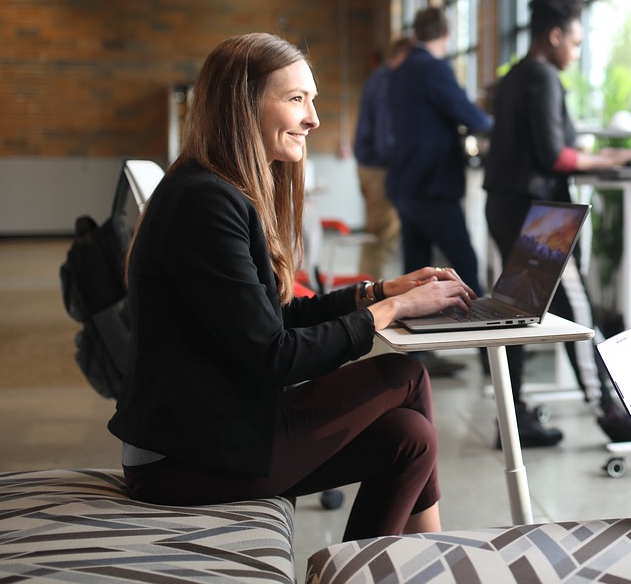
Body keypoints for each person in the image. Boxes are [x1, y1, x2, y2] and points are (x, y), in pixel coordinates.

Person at [109, 32, 477, 541]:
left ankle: (378, 572)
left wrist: (379, 291)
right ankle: (437, 558)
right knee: (405, 376)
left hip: (207, 432)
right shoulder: (204, 203)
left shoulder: (215, 189)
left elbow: (274, 317)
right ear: (244, 106)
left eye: (313, 99)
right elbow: (274, 355)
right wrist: (391, 312)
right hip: (182, 458)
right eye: (296, 99)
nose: (313, 119)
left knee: (409, 438)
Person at [483, 0, 631, 447]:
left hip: (507, 204)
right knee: (578, 310)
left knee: (514, 313)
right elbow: (555, 155)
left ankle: (511, 420)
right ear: (554, 36)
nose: (576, 50)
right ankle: (609, 413)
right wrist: (610, 157)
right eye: (574, 41)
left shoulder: (514, 77)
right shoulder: (544, 76)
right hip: (537, 215)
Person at [386, 7, 493, 334]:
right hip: (433, 184)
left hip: (405, 183)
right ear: (446, 35)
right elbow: (471, 117)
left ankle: (414, 354)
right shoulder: (434, 69)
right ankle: (489, 350)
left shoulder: (399, 70)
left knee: (417, 274)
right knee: (465, 267)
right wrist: (500, 126)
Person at [352, 36, 413, 280]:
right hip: (380, 168)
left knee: (377, 233)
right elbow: (384, 132)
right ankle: (370, 294)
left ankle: (366, 288)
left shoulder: (378, 77)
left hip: (369, 165)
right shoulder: (388, 80)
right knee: (383, 234)